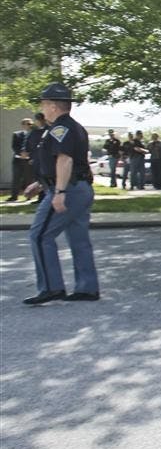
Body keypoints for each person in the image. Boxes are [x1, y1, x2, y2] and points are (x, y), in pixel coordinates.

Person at [22, 83, 99, 304]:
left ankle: (51, 287)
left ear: (53, 105)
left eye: (43, 103)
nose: (42, 108)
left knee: (39, 235)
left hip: (68, 188)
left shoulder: (60, 128)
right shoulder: (72, 127)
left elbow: (65, 159)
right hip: (79, 188)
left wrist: (60, 191)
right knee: (78, 239)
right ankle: (87, 288)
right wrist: (40, 183)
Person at [8, 118, 33, 202]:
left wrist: (28, 154)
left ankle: (29, 196)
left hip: (28, 160)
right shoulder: (16, 134)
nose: (30, 125)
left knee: (28, 178)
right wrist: (20, 153)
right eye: (28, 124)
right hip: (18, 160)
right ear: (23, 125)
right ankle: (14, 196)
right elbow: (14, 146)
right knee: (16, 178)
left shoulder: (33, 134)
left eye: (31, 124)